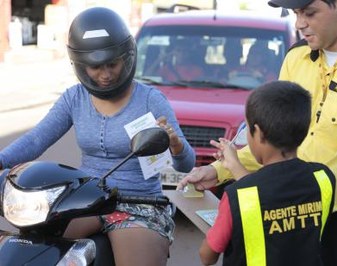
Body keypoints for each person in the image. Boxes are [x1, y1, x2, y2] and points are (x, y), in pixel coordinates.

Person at [179, 1, 337, 265]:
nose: (299, 24)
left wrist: (270, 197)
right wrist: (219, 170)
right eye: (296, 14)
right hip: (288, 208)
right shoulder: (296, 57)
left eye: (309, 13)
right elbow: (274, 138)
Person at [0, 7, 196, 266]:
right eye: (95, 67)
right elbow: (36, 140)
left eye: (112, 64)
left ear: (126, 58)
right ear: (80, 65)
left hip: (139, 204)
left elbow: (186, 165)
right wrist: (2, 159)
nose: (105, 74)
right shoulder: (74, 98)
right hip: (84, 201)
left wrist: (176, 145)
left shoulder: (150, 100)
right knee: (35, 249)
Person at [199, 81, 336, 266]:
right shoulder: (323, 178)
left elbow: (207, 256)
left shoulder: (237, 195)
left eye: (247, 128)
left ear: (258, 133)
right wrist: (234, 165)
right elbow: (275, 194)